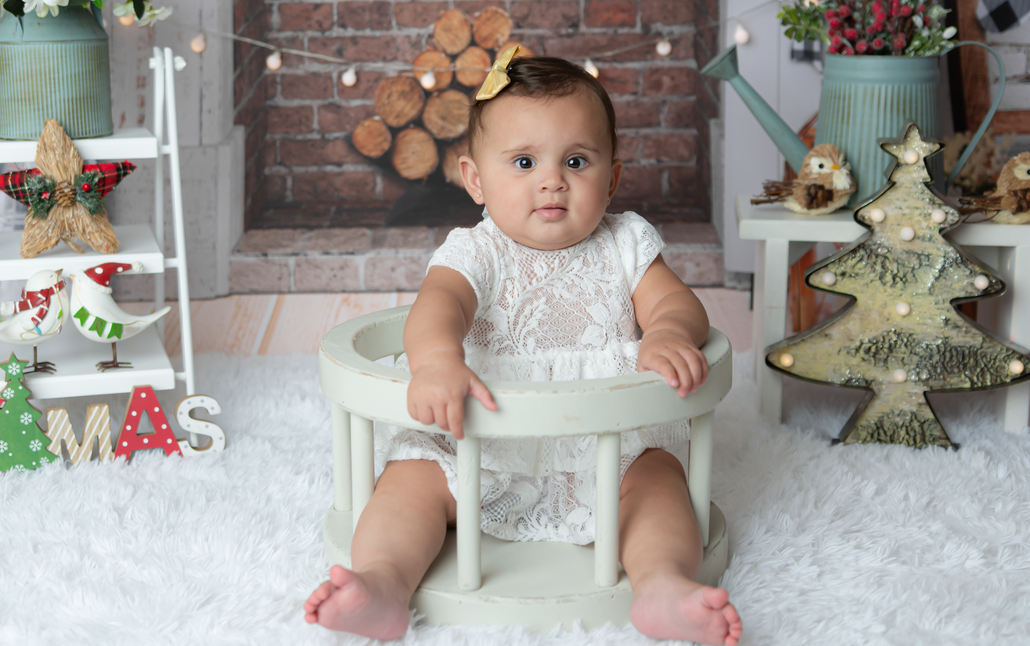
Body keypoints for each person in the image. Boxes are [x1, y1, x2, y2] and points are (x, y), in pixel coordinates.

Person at [304, 49, 742, 645]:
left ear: (612, 179)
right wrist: (437, 360)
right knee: (410, 480)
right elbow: (438, 306)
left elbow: (677, 303)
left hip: (606, 451)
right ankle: (382, 582)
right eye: (524, 162)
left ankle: (663, 584)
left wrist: (666, 331)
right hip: (479, 446)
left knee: (659, 483)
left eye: (577, 161)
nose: (552, 180)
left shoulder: (627, 243)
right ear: (476, 180)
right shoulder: (476, 251)